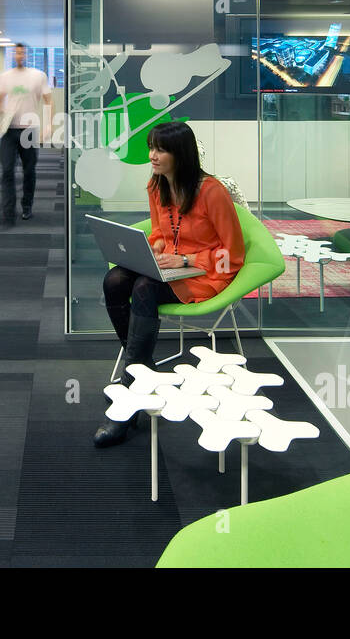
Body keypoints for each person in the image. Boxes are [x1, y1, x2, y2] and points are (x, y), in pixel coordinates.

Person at [94, 121, 245, 447]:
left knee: (144, 289)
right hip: (169, 267)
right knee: (114, 280)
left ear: (180, 154)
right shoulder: (156, 185)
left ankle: (131, 394)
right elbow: (162, 232)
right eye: (151, 147)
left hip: (206, 274)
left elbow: (232, 254)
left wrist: (188, 261)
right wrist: (155, 249)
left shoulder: (211, 192)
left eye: (160, 149)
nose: (152, 155)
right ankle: (141, 367)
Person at [0, 42, 53, 224]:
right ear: (13, 55)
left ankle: (27, 206)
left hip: (29, 130)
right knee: (7, 171)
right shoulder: (5, 77)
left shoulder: (38, 76)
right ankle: (8, 212)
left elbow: (48, 100)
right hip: (8, 131)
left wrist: (49, 125)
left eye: (22, 53)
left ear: (26, 55)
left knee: (29, 171)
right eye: (16, 53)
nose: (19, 56)